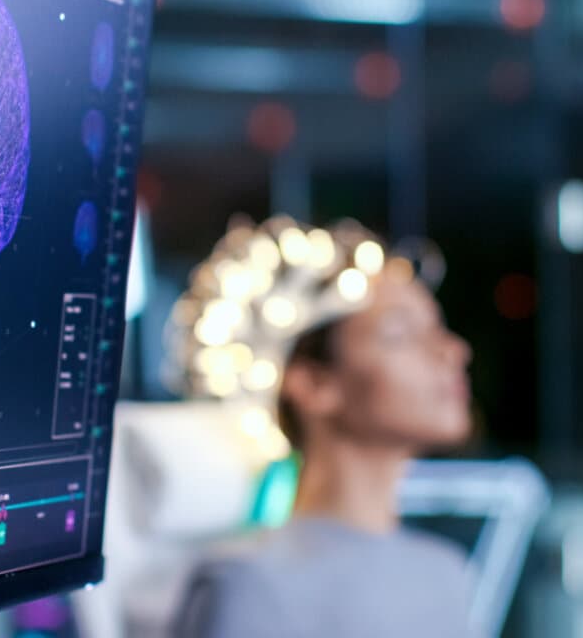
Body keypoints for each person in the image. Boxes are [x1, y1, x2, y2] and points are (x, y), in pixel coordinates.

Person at [164, 217, 481, 638]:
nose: (453, 351)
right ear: (313, 383)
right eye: (401, 333)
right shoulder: (247, 584)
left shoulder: (445, 572)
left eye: (438, 329)